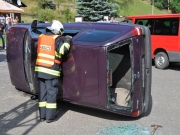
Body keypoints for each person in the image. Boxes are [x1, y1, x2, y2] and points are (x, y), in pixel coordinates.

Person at [35, 20, 72, 123]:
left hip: (40, 70)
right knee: (51, 94)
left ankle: (42, 116)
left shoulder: (41, 37)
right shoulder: (57, 39)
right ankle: (50, 117)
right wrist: (68, 40)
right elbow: (63, 51)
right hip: (51, 71)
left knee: (42, 94)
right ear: (58, 30)